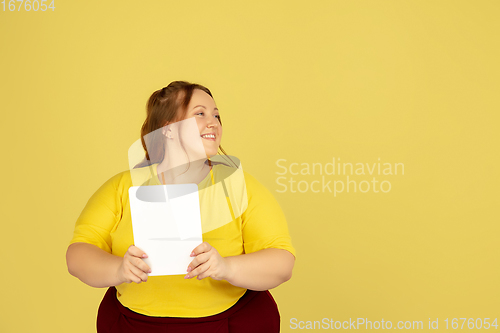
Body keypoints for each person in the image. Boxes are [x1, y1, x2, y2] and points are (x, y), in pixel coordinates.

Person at [66, 81, 296, 333]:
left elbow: (282, 263)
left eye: (216, 115)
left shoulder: (240, 186)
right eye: (200, 113)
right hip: (134, 324)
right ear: (168, 129)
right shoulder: (121, 188)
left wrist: (226, 267)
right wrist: (119, 269)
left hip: (229, 322)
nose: (214, 122)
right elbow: (78, 256)